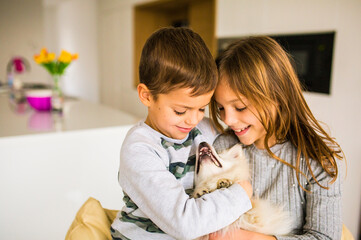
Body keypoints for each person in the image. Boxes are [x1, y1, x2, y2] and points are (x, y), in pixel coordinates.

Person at [110, 27, 253, 240]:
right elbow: (184, 223)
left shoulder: (202, 128)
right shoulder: (140, 150)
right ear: (147, 96)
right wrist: (240, 195)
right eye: (180, 111)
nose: (193, 120)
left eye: (201, 108)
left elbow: (241, 138)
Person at [209, 36, 344, 240]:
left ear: (277, 97)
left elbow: (325, 237)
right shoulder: (222, 147)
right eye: (220, 108)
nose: (228, 119)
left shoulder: (317, 162)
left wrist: (246, 238)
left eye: (240, 107)